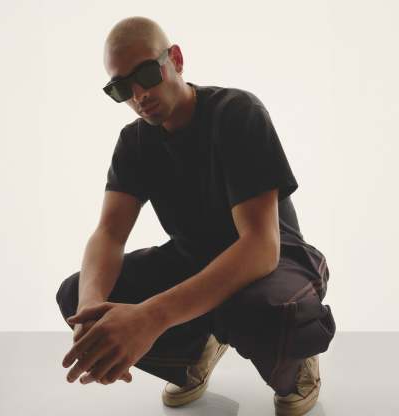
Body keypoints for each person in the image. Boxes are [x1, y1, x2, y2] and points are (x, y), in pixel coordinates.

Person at [56, 15, 336, 416]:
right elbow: (109, 234)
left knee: (261, 310)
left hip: (274, 262)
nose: (139, 95)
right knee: (76, 294)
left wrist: (152, 317)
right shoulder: (134, 142)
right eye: (121, 88)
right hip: (193, 261)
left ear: (176, 59)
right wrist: (91, 310)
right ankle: (194, 353)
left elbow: (260, 247)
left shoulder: (237, 113)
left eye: (146, 74)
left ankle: (296, 367)